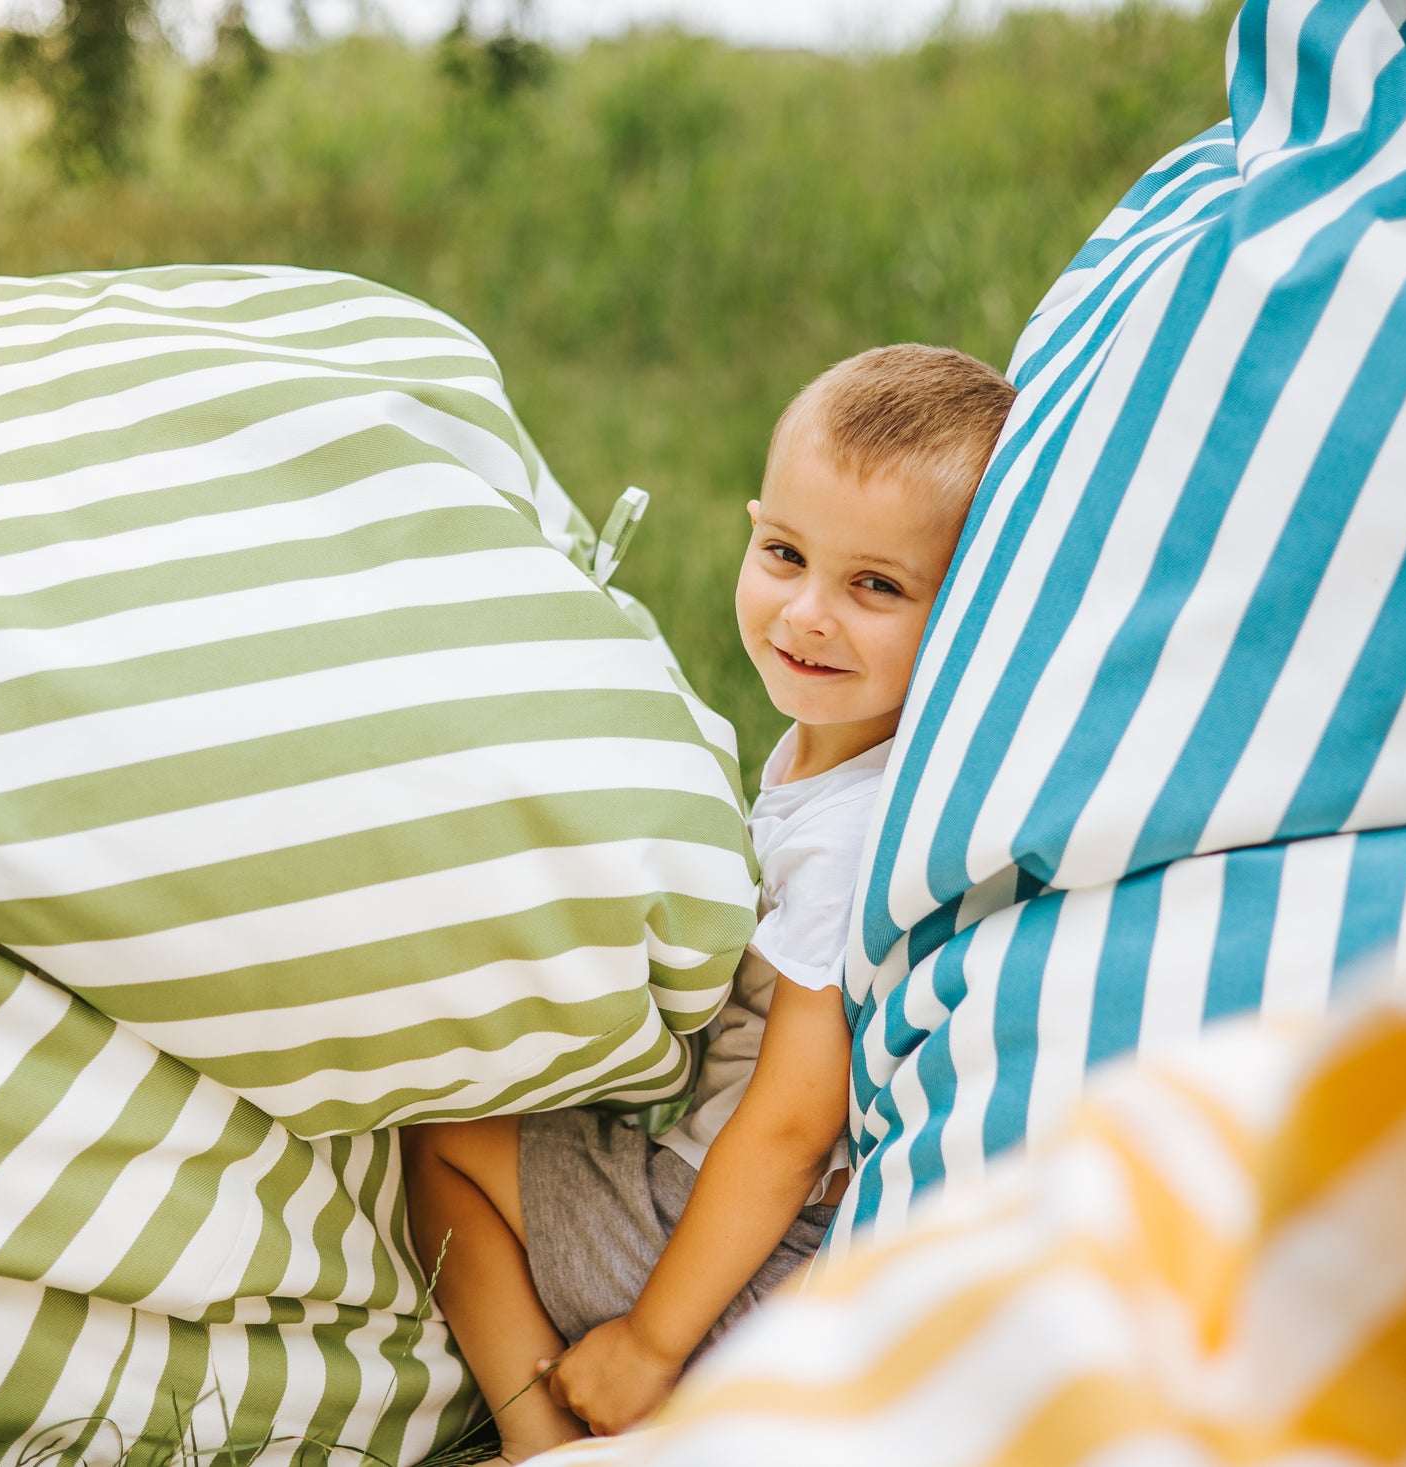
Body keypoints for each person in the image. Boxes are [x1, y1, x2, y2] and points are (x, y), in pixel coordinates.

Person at [400, 345, 1018, 1460]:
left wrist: (649, 1340)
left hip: (723, 1249)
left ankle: (547, 1437)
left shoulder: (851, 836)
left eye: (876, 585)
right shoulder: (837, 762)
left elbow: (787, 1128)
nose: (808, 615)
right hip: (731, 1226)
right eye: (783, 553)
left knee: (445, 1134)